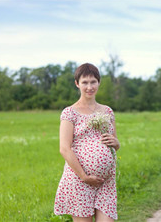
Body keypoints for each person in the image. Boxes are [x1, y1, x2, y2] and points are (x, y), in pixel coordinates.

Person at [54, 63, 120, 222]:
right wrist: (84, 176)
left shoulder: (107, 111)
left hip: (106, 182)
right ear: (77, 84)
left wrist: (116, 143)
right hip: (79, 180)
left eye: (93, 82)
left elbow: (115, 145)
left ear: (99, 83)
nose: (89, 86)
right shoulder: (70, 112)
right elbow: (64, 149)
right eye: (85, 82)